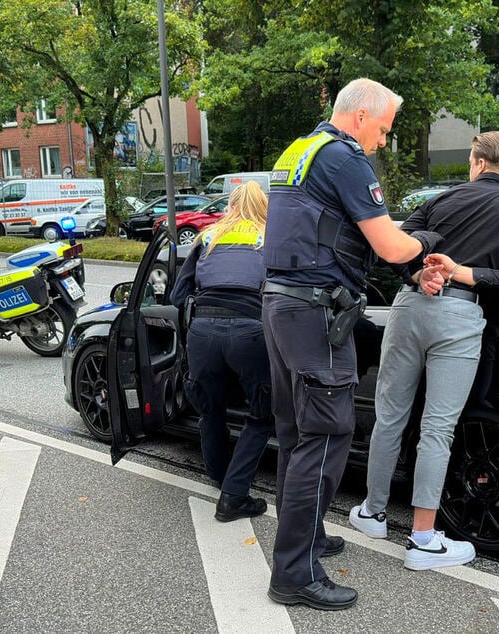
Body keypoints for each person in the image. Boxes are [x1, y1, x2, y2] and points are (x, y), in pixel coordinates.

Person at [262, 78, 443, 611]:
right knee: (325, 435)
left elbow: (329, 235)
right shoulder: (344, 158)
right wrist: (427, 243)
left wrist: (408, 274)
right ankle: (294, 573)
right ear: (362, 116)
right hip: (316, 312)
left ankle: (307, 539)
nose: (384, 141)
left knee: (297, 435)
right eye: (384, 129)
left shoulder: (301, 150)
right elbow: (389, 244)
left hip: (282, 304)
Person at [349, 131, 499, 570]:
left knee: (390, 415)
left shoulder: (441, 199)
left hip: (407, 310)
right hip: (459, 316)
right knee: (438, 428)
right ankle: (422, 539)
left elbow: (392, 249)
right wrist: (462, 273)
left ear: (476, 161)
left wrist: (421, 275)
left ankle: (372, 513)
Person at [169, 181, 273, 522]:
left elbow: (176, 296)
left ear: (229, 205)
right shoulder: (268, 238)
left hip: (203, 332)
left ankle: (219, 476)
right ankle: (234, 495)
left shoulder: (207, 237)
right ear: (264, 207)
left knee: (209, 410)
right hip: (250, 332)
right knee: (261, 414)